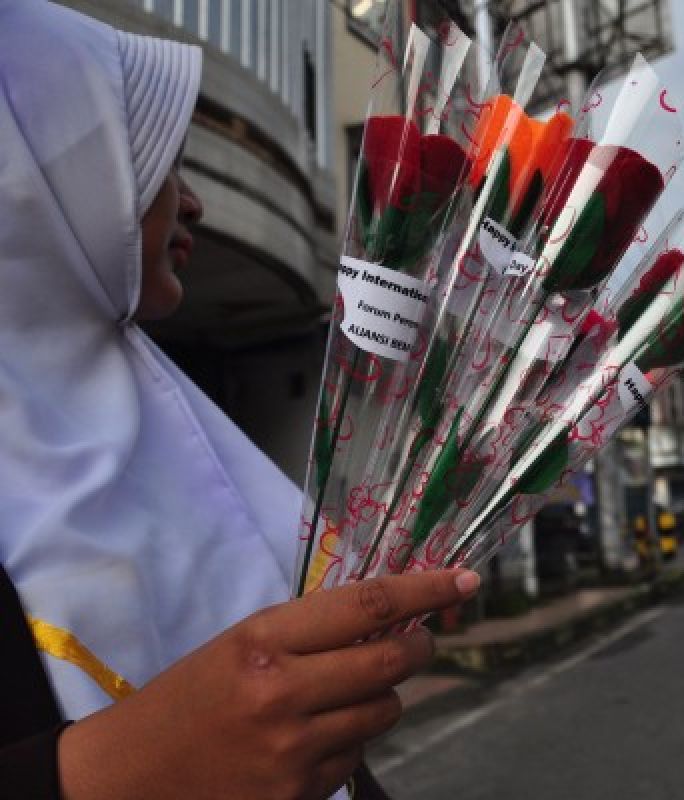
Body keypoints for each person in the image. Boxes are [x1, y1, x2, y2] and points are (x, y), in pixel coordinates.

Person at [0, 5, 477, 797]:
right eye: (152, 161)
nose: (193, 204)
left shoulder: (163, 409)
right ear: (34, 183)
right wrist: (99, 771)